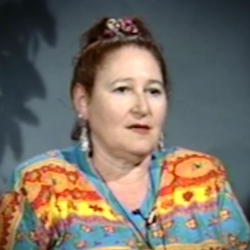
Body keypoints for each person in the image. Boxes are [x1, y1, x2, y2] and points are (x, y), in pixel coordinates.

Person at [0, 17, 249, 250]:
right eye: (122, 89)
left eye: (153, 91)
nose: (142, 108)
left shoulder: (203, 178)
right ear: (82, 101)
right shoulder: (43, 186)